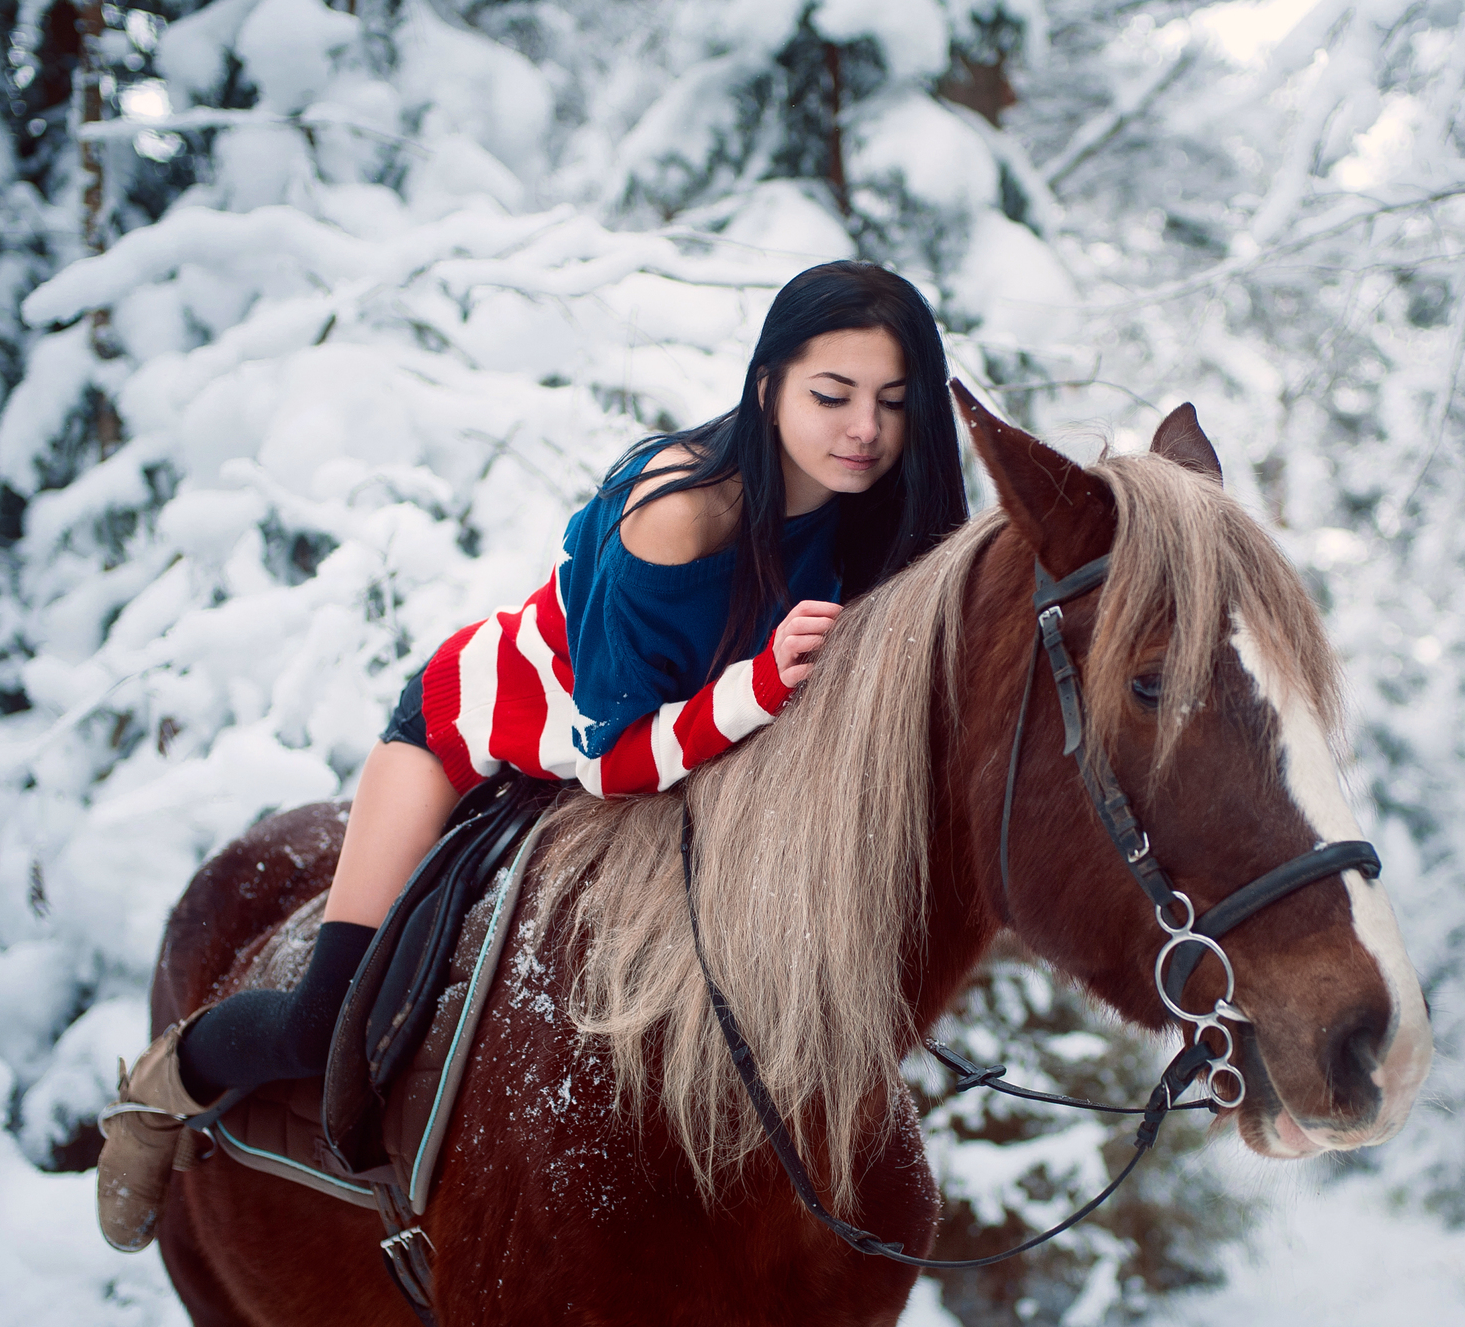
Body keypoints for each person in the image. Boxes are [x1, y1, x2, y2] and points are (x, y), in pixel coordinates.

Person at [95, 260, 969, 1251]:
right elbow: (611, 756)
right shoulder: (676, 513)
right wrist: (759, 684)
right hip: (478, 732)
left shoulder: (877, 510)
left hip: (662, 756)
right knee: (323, 1018)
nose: (864, 429)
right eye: (831, 395)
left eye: (892, 404)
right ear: (765, 385)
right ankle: (161, 1088)